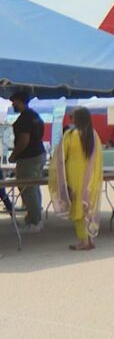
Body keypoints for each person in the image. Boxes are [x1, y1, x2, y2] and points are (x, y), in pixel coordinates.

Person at [49, 107, 103, 250]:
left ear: (77, 119)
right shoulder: (94, 135)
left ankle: (84, 241)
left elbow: (60, 157)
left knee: (77, 209)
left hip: (74, 177)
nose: (70, 119)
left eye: (72, 117)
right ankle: (89, 239)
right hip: (90, 178)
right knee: (87, 207)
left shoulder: (71, 135)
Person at [9, 91, 46, 233]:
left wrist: (14, 154)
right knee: (33, 187)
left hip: (28, 157)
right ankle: (34, 217)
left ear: (19, 101)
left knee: (27, 188)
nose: (12, 104)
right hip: (38, 153)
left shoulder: (24, 118)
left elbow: (24, 140)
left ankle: (34, 221)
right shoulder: (35, 116)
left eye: (14, 102)